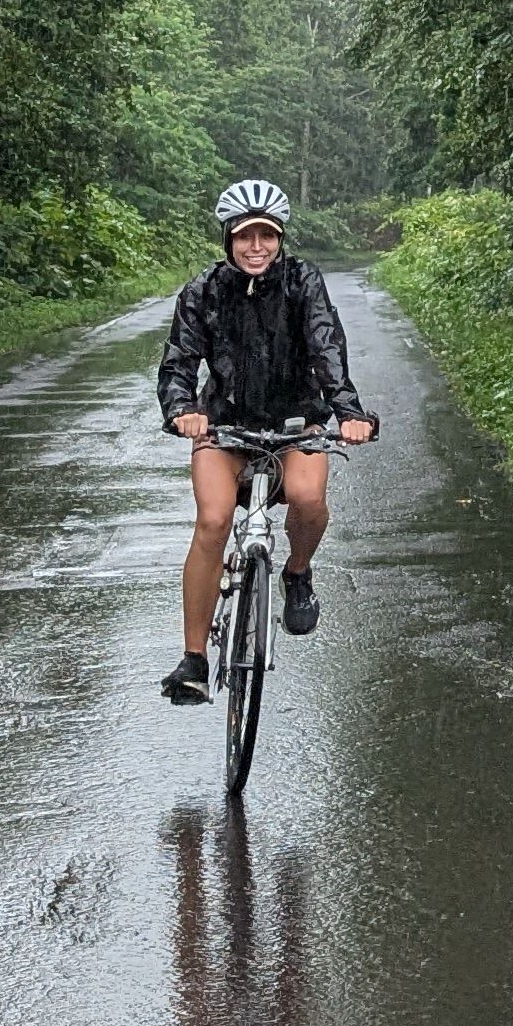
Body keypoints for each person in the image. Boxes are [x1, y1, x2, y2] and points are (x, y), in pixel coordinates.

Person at [157, 178, 374, 703]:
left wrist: (347, 412)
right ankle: (193, 660)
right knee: (212, 520)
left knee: (307, 500)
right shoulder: (203, 290)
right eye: (245, 236)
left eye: (267, 236)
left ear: (280, 239)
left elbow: (327, 348)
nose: (257, 247)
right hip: (225, 426)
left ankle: (297, 573)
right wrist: (183, 410)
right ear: (228, 237)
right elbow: (179, 363)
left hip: (296, 422)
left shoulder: (303, 282)